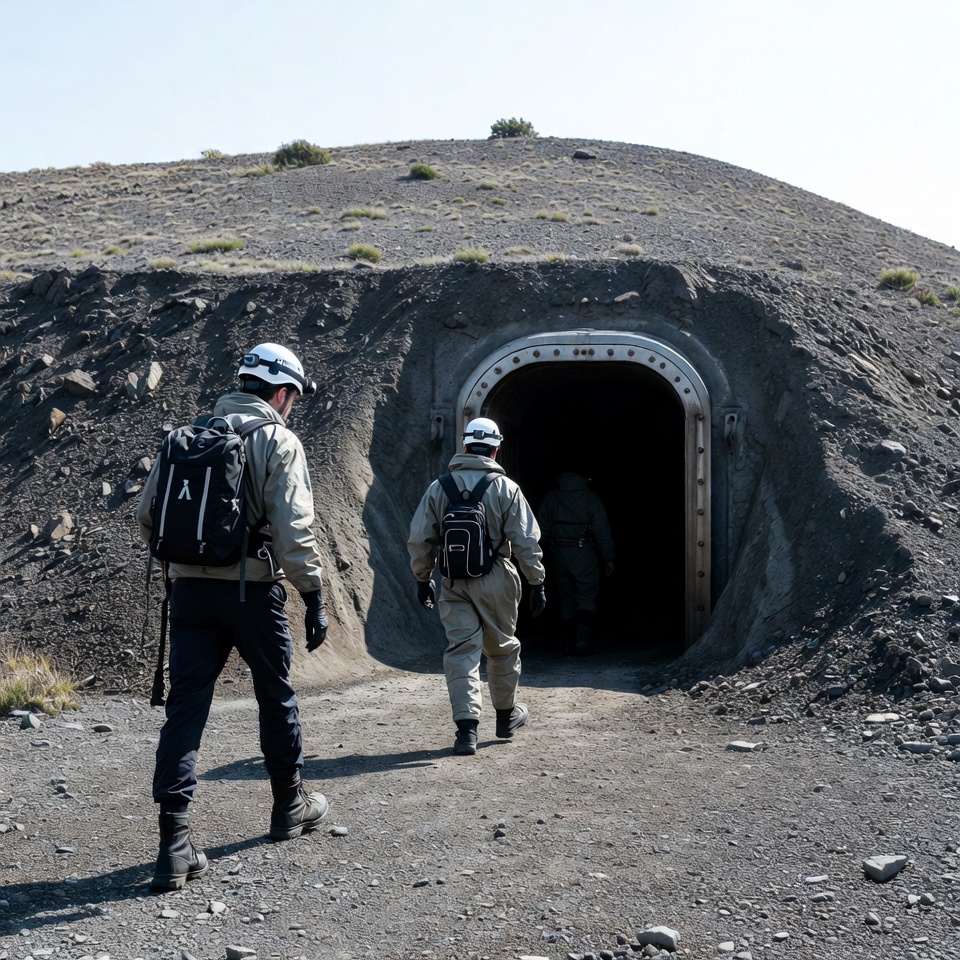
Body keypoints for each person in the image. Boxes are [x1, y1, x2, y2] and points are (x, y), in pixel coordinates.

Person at [137, 342, 331, 891]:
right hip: (252, 592)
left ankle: (173, 844)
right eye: (293, 396)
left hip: (189, 595)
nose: (292, 405)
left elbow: (147, 519)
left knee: (186, 709)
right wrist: (312, 594)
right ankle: (287, 807)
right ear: (280, 391)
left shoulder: (186, 435)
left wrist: (194, 561)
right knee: (276, 693)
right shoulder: (277, 440)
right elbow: (294, 533)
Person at [407, 417, 546, 756]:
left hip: (453, 579)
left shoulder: (440, 487)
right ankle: (504, 716)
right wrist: (536, 581)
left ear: (465, 447)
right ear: (496, 450)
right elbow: (526, 541)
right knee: (501, 648)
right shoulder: (506, 488)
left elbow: (419, 538)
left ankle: (466, 729)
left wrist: (422, 578)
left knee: (461, 651)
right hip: (498, 577)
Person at [538, 472, 615, 655]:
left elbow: (540, 528)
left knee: (565, 595)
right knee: (586, 595)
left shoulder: (552, 498)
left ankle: (567, 642)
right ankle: (582, 641)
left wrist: (539, 554)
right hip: (584, 552)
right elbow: (602, 530)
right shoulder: (590, 498)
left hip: (558, 553)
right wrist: (608, 557)